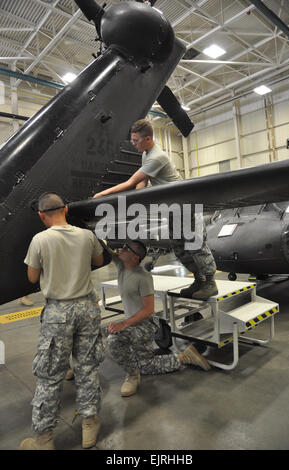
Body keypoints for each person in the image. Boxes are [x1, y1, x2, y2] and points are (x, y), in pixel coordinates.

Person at [93, 118, 218, 301]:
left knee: (195, 244)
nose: (133, 144)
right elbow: (141, 183)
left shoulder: (156, 157)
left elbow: (131, 182)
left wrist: (101, 195)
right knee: (179, 246)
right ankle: (199, 279)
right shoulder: (146, 153)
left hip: (186, 205)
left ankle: (210, 282)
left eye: (136, 140)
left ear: (148, 139)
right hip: (173, 208)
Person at [19, 193, 106, 450]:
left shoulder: (40, 240)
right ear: (66, 210)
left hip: (58, 313)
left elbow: (33, 277)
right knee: (87, 367)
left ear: (41, 215)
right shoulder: (86, 236)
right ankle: (89, 425)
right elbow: (99, 261)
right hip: (88, 309)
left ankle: (44, 439)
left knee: (50, 375)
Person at [106, 239, 211, 398]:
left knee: (114, 340)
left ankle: (132, 376)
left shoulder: (143, 277)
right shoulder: (121, 266)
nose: (122, 249)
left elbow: (149, 310)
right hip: (133, 324)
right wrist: (89, 233)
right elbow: (107, 251)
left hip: (145, 325)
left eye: (127, 248)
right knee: (146, 366)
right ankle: (185, 357)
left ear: (136, 257)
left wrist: (124, 324)